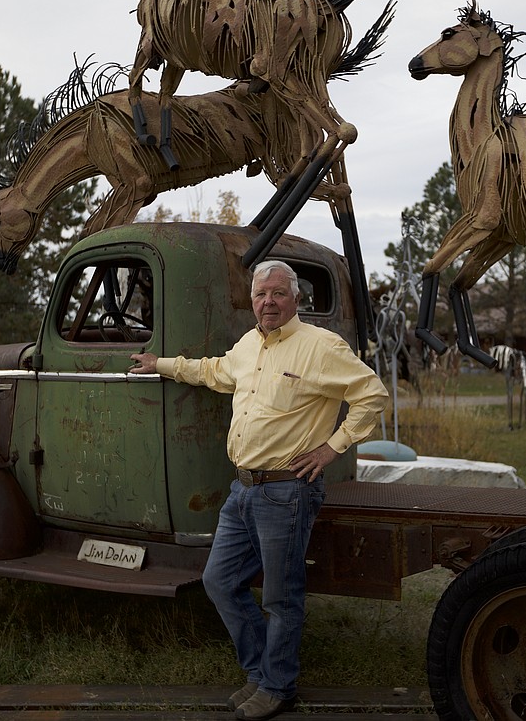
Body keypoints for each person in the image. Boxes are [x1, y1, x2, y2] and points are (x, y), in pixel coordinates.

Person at [130, 260, 387, 721]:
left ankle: (278, 686)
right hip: (243, 489)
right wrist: (161, 365)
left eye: (277, 293)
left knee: (281, 598)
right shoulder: (249, 344)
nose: (268, 302)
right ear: (252, 301)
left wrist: (333, 447)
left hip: (288, 492)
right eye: (260, 295)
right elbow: (214, 371)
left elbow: (372, 393)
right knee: (219, 582)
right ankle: (261, 672)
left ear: (295, 298)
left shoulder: (321, 347)